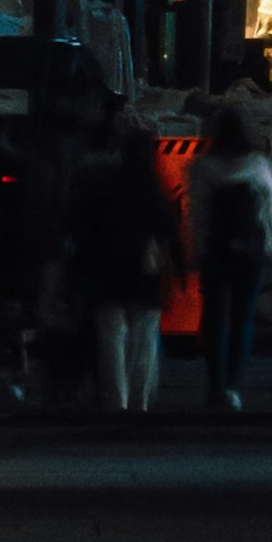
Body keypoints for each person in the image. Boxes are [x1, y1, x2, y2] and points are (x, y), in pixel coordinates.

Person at [71, 117, 189, 421]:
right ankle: (140, 399)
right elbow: (169, 233)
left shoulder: (105, 188)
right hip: (145, 274)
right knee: (144, 339)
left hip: (108, 272)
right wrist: (180, 267)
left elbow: (87, 230)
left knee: (111, 337)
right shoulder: (154, 194)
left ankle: (116, 399)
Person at [184, 92, 272, 419]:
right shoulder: (260, 166)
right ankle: (233, 387)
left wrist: (196, 251)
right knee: (242, 320)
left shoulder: (201, 168)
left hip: (216, 251)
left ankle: (214, 386)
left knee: (214, 319)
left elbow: (197, 214)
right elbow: (271, 214)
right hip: (250, 252)